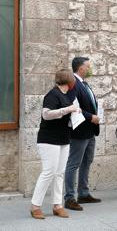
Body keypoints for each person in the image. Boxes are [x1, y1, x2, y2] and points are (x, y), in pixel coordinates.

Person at [30, 69, 78, 219]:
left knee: (59, 172)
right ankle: (35, 206)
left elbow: (65, 114)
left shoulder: (65, 95)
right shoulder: (52, 94)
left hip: (63, 138)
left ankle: (57, 205)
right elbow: (46, 114)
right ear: (70, 82)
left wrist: (76, 112)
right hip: (48, 139)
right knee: (48, 172)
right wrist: (67, 110)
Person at [64, 57, 101, 211]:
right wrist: (90, 116)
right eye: (88, 66)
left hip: (90, 131)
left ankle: (83, 193)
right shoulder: (74, 84)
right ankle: (70, 198)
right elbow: (72, 106)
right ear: (81, 68)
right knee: (74, 164)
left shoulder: (84, 84)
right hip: (79, 131)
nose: (90, 68)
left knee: (87, 161)